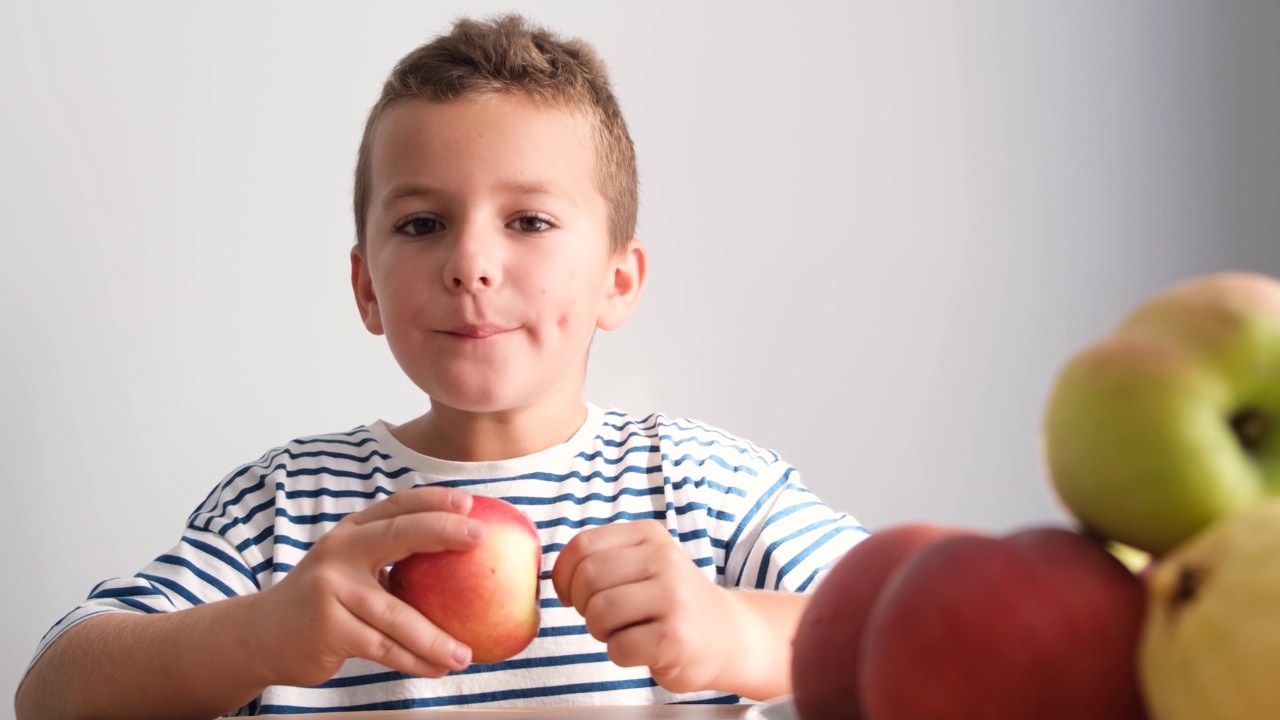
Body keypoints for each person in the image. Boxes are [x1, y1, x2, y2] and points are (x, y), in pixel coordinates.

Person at [15, 13, 867, 719]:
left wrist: (740, 634)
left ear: (618, 280)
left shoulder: (702, 491)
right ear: (367, 287)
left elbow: (893, 629)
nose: (471, 264)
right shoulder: (290, 508)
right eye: (422, 224)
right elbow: (51, 691)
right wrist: (261, 633)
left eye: (528, 221)